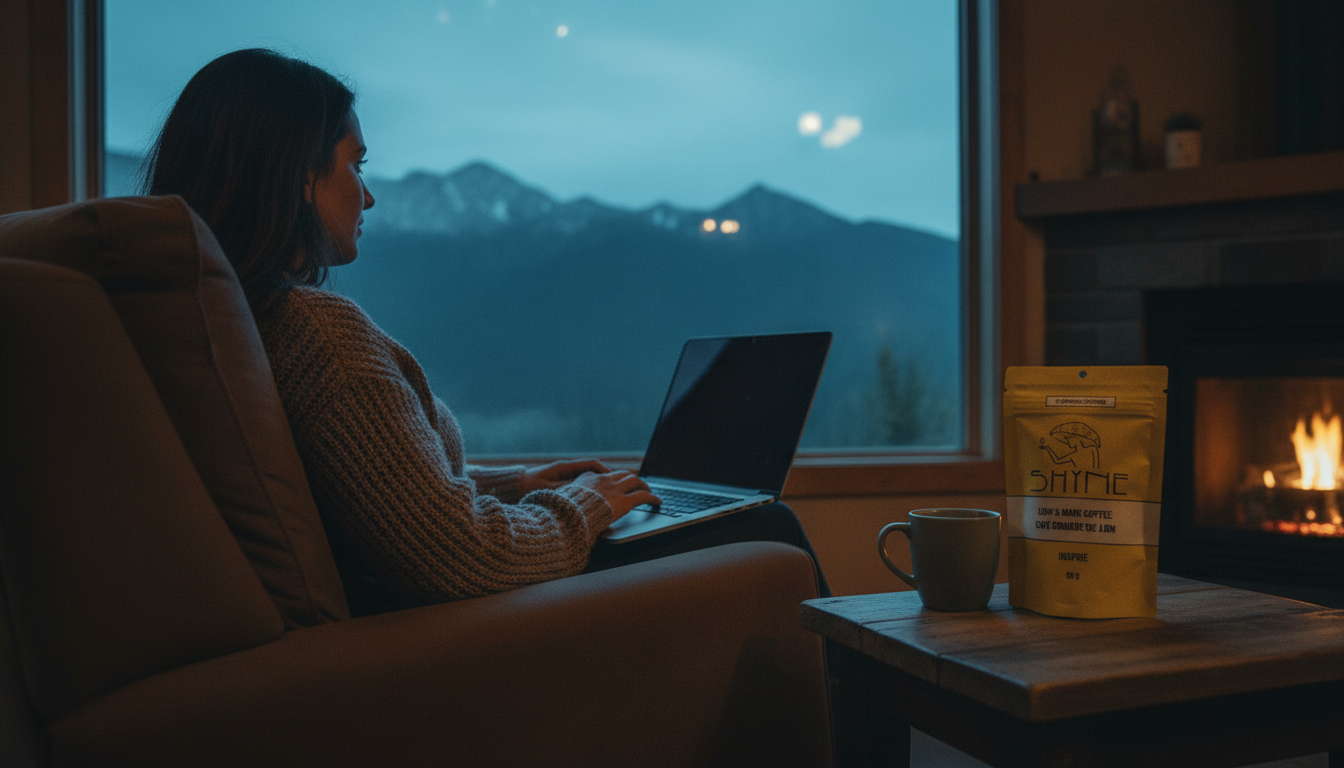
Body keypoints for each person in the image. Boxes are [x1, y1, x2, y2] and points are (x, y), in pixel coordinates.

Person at [145, 48, 828, 614]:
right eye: (355, 165)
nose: (369, 195)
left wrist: (518, 482)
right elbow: (457, 558)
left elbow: (373, 502)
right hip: (454, 633)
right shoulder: (319, 340)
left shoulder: (236, 323)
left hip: (412, 610)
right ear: (298, 174)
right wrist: (581, 508)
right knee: (766, 530)